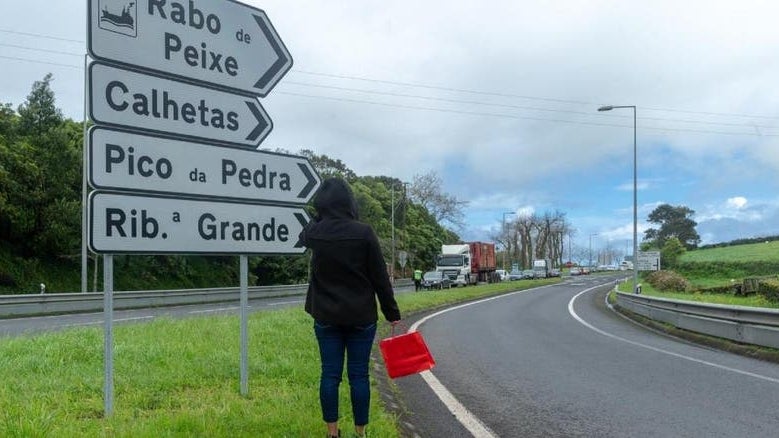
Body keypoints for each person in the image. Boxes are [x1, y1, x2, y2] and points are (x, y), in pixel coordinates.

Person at [299, 177, 401, 438]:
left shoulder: (316, 233)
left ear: (322, 202)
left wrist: (319, 217)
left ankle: (332, 433)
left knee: (329, 375)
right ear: (349, 202)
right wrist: (391, 313)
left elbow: (303, 234)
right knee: (359, 376)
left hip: (326, 316)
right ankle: (361, 432)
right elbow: (380, 277)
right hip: (361, 317)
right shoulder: (364, 232)